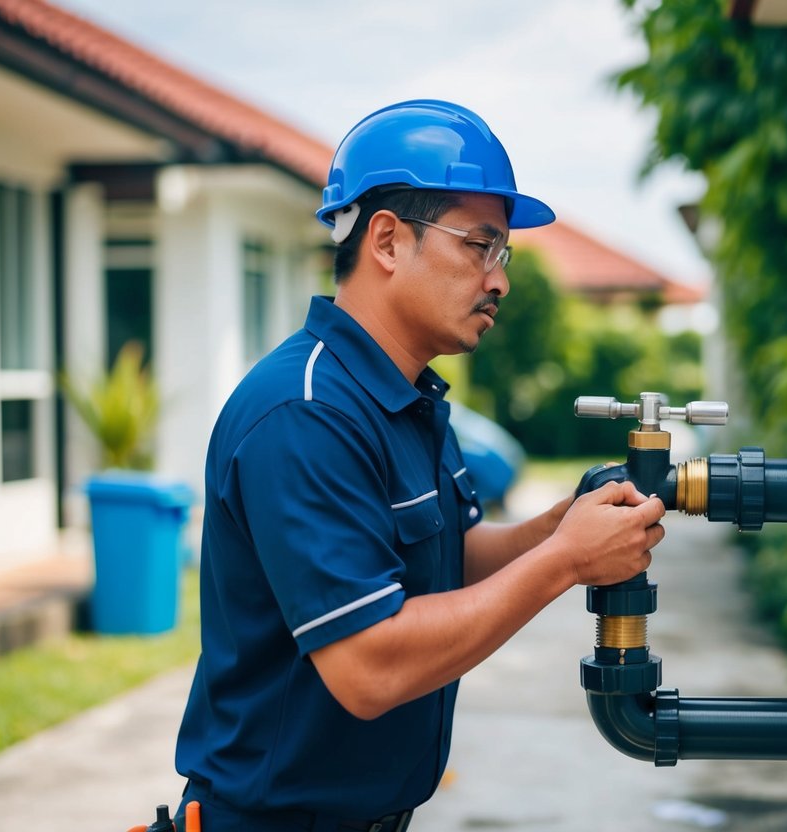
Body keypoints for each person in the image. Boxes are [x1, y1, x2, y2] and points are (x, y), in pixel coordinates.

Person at [172, 99, 666, 831]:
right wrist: (564, 562)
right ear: (386, 241)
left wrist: (556, 527)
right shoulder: (306, 413)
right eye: (479, 246)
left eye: (502, 255)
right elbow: (369, 667)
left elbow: (446, 558)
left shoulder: (408, 398)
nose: (498, 280)